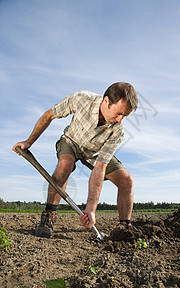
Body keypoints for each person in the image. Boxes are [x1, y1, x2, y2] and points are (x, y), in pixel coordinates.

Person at [13, 82, 138, 238]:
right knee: (65, 163)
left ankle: (125, 227)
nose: (120, 120)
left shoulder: (117, 130)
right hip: (72, 142)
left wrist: (91, 208)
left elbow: (100, 167)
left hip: (95, 152)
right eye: (118, 113)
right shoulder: (81, 99)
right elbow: (49, 115)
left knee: (127, 180)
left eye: (124, 116)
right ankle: (49, 214)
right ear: (106, 101)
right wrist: (28, 142)